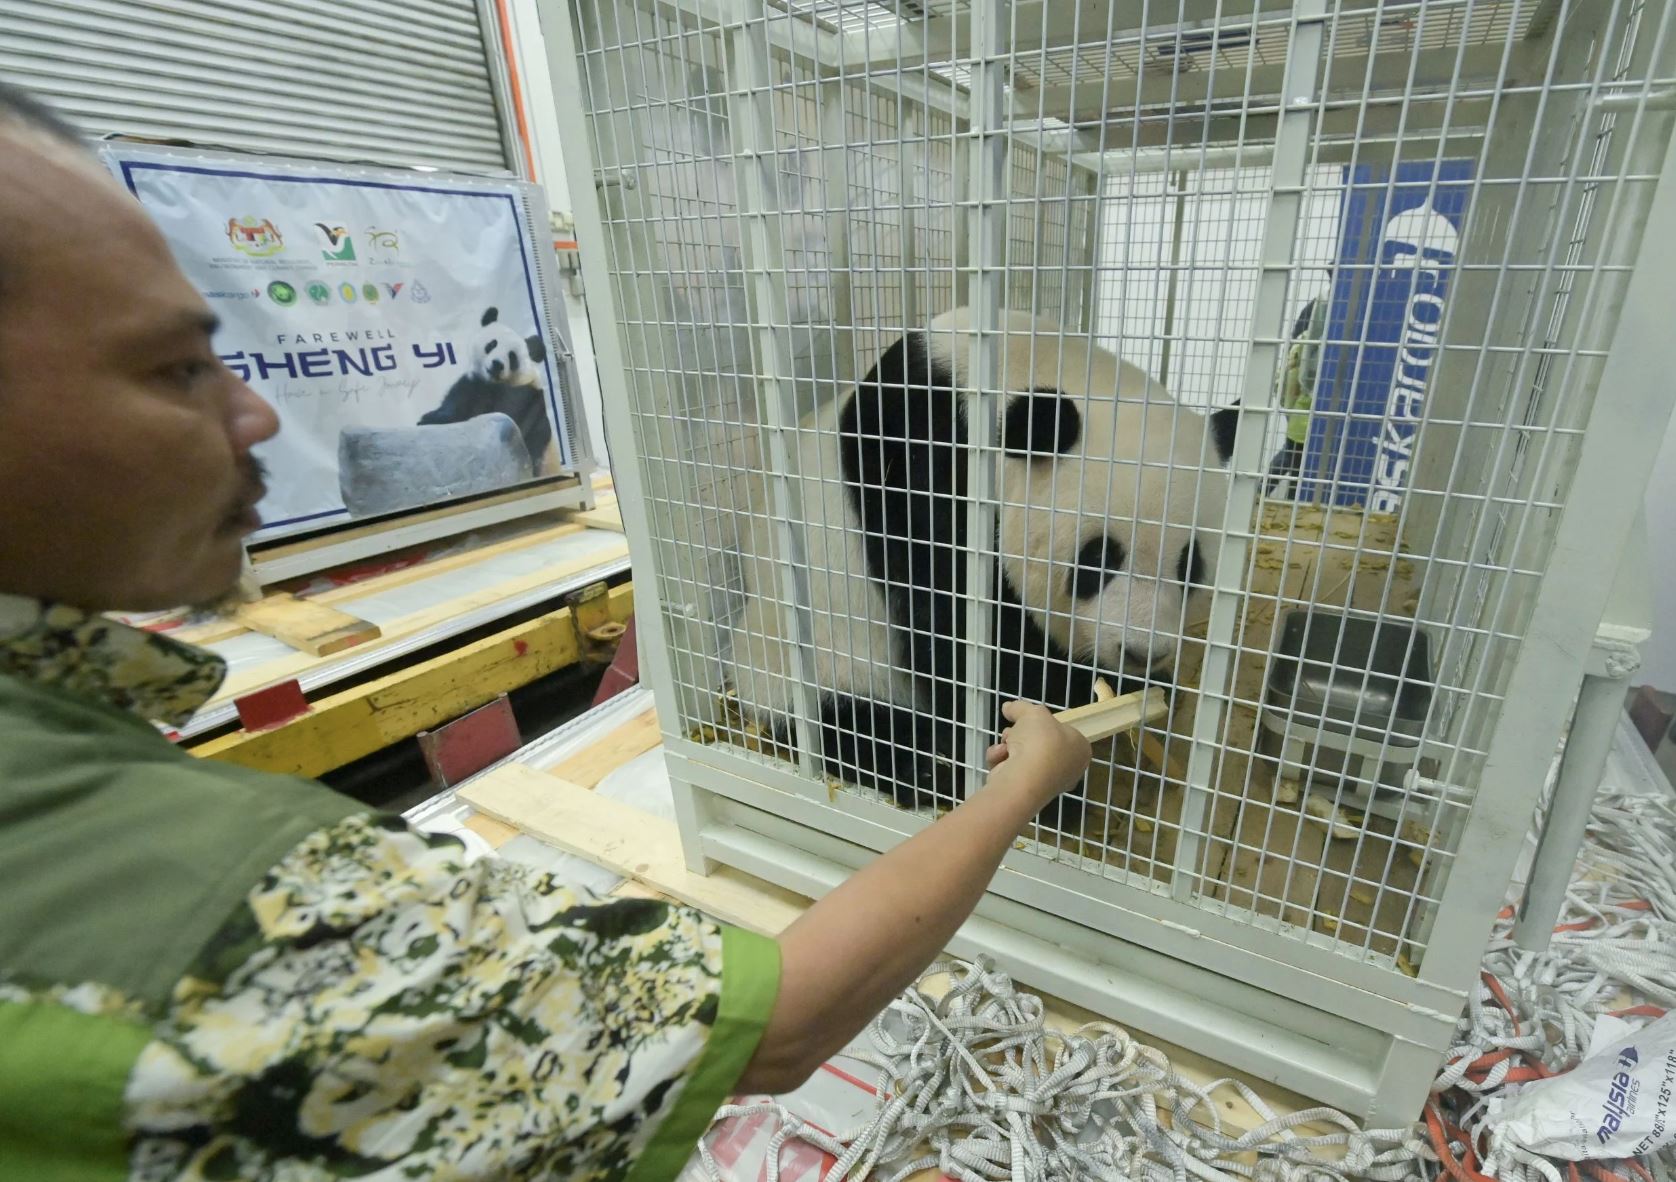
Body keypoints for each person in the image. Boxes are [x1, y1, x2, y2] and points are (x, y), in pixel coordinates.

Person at [0, 82, 1093, 1181]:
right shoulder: (256, 904)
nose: (258, 414)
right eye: (178, 366)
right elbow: (777, 1022)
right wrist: (1018, 782)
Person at [1265, 295, 1326, 500]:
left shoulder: (1319, 305)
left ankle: (1260, 494)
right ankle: (1276, 498)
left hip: (1298, 395)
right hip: (1303, 396)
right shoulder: (1324, 307)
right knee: (1296, 455)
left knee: (1294, 454)